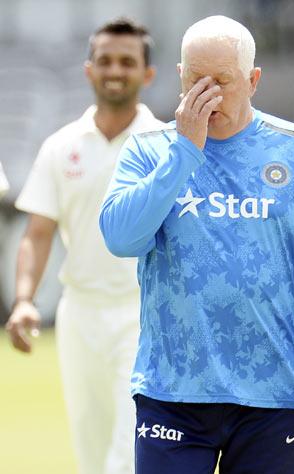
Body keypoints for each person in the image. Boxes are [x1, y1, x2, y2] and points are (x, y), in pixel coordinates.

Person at [98, 15, 294, 474]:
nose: (209, 93)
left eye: (224, 80)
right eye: (197, 80)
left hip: (271, 392)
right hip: (171, 391)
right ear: (180, 76)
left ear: (253, 80)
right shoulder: (148, 150)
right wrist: (184, 152)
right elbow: (120, 238)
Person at [4, 18, 162, 474]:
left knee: (127, 447)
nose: (116, 70)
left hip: (144, 312)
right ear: (89, 69)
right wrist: (23, 301)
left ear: (147, 74)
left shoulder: (165, 145)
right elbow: (37, 233)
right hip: (80, 315)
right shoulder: (61, 146)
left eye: (127, 62)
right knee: (90, 446)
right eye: (106, 61)